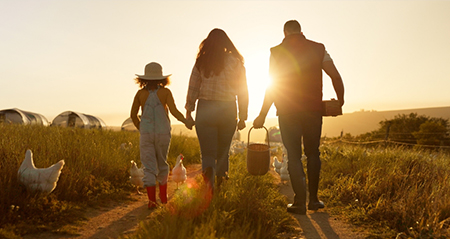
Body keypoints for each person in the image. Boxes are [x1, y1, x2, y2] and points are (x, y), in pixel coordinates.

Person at [253, 20, 345, 215]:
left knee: (293, 155)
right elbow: (335, 76)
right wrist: (340, 100)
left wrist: (262, 114)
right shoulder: (319, 49)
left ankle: (299, 202)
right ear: (301, 31)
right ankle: (314, 200)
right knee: (313, 153)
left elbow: (273, 85)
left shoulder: (276, 52)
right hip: (313, 110)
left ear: (285, 33)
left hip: (287, 111)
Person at [185, 28, 249, 192]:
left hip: (206, 108)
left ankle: (209, 183)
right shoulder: (236, 62)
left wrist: (188, 112)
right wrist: (243, 116)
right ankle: (220, 183)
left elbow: (193, 88)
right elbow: (243, 91)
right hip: (228, 108)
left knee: (207, 152)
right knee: (223, 151)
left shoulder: (202, 62)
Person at [131, 62, 194, 209]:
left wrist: (141, 128)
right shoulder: (165, 93)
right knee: (162, 164)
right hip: (163, 133)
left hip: (146, 134)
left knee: (149, 167)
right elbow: (174, 111)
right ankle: (164, 198)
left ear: (144, 79)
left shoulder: (140, 94)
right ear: (161, 78)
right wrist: (186, 121)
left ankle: (152, 201)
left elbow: (133, 115)